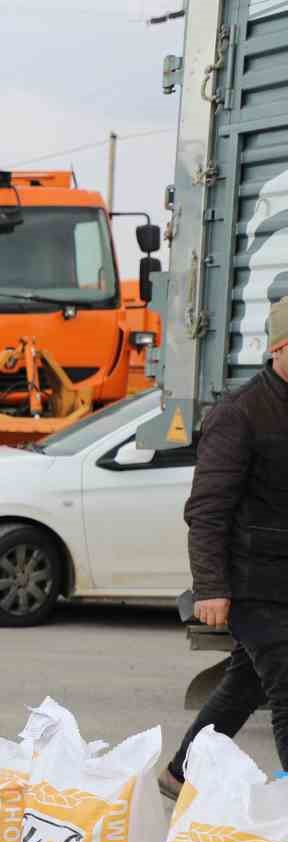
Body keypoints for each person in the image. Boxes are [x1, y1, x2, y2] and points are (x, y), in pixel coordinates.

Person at [162, 297, 288, 799]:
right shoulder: (240, 413)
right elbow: (208, 509)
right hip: (253, 582)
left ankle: (181, 774)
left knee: (246, 685)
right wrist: (211, 587)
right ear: (280, 347)